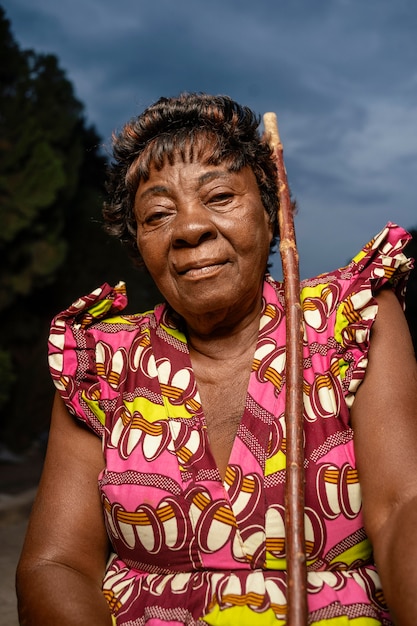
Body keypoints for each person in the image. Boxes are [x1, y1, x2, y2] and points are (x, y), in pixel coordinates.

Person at [16, 92, 417, 626]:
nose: (188, 229)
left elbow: (401, 512)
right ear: (139, 246)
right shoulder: (102, 363)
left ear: (273, 216)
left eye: (220, 196)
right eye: (158, 214)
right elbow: (55, 564)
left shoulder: (351, 320)